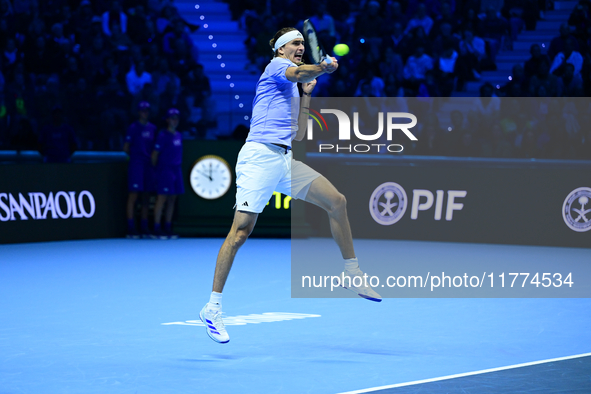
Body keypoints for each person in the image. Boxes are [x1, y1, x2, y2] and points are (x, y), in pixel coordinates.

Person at [199, 27, 382, 345]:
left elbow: (298, 133)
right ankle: (212, 308)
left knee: (337, 202)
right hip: (259, 156)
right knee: (240, 232)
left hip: (284, 160)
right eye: (296, 43)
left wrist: (307, 95)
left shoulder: (295, 85)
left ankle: (351, 272)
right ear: (282, 49)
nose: (300, 47)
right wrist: (322, 67)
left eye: (302, 43)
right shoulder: (275, 67)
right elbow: (298, 72)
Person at [123, 101, 157, 239]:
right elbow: (126, 148)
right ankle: (131, 227)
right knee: (133, 195)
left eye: (147, 110)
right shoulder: (133, 127)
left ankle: (144, 227)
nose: (145, 113)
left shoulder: (153, 128)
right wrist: (132, 162)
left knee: (146, 196)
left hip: (148, 165)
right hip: (136, 164)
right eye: (143, 110)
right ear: (138, 112)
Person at [151, 108, 184, 240]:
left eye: (176, 118)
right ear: (167, 120)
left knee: (172, 199)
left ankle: (168, 227)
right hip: (165, 170)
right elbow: (154, 155)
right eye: (172, 118)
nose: (174, 121)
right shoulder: (162, 135)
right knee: (162, 198)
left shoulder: (179, 135)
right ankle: (156, 228)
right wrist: (158, 170)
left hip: (176, 170)